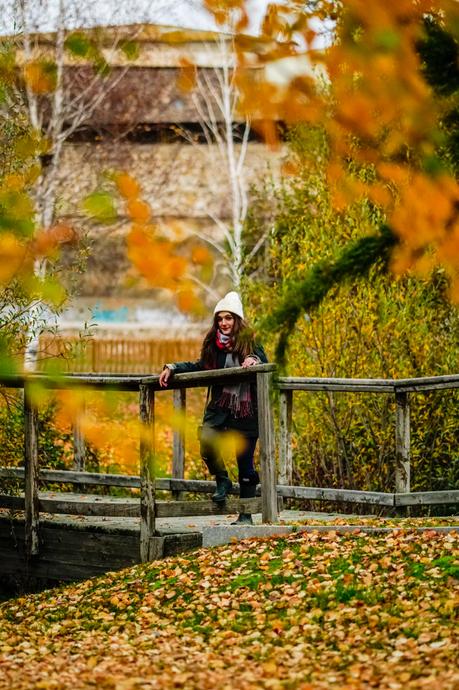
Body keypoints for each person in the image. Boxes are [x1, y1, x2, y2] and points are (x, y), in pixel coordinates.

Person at [159, 291, 268, 525]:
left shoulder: (250, 340)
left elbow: (264, 362)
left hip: (246, 412)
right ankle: (222, 480)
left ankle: (245, 515)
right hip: (219, 409)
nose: (224, 323)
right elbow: (201, 366)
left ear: (237, 320)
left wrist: (254, 361)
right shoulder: (213, 343)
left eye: (228, 318)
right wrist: (173, 367)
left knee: (245, 464)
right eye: (220, 319)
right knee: (206, 440)